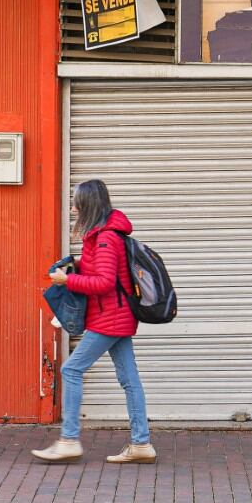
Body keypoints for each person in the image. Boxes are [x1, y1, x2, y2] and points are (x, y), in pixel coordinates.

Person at [31, 179, 156, 464]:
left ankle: (69, 440)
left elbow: (103, 282)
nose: (73, 208)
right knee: (129, 379)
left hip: (110, 317)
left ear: (88, 205)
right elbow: (102, 271)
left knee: (71, 369)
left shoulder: (105, 237)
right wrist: (75, 264)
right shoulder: (103, 235)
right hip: (116, 315)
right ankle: (141, 444)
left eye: (77, 202)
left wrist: (68, 279)